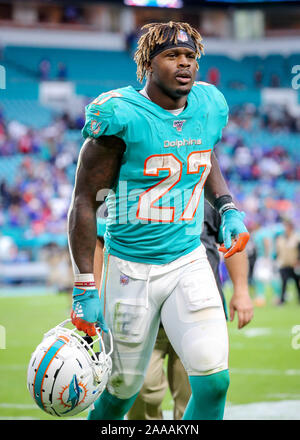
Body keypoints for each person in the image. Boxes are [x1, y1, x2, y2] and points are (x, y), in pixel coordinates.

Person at [67, 21, 250, 421]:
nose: (185, 64)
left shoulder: (208, 104)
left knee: (215, 381)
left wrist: (228, 206)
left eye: (190, 57)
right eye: (172, 56)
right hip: (132, 268)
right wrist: (84, 285)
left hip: (188, 260)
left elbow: (204, 152)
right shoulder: (119, 115)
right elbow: (84, 203)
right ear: (148, 64)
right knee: (121, 393)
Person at [276, 219, 300, 304]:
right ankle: (282, 300)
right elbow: (278, 251)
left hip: (294, 264)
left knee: (297, 283)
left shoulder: (297, 238)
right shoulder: (281, 238)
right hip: (284, 264)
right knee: (284, 282)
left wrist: (298, 261)